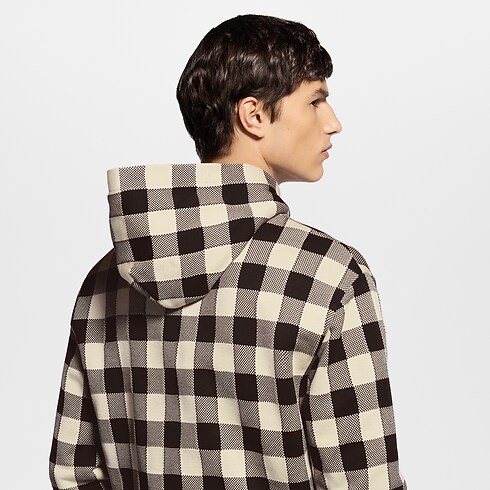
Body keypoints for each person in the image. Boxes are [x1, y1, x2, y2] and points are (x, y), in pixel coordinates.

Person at [49, 13, 407, 490]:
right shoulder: (329, 275)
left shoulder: (105, 280)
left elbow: (75, 473)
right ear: (253, 114)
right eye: (316, 100)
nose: (333, 122)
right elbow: (364, 481)